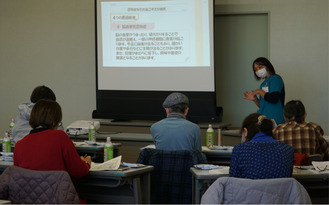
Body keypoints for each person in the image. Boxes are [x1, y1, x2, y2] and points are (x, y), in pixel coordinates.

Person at [14, 99, 91, 178]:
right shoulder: (60, 137)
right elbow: (79, 171)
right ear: (54, 122)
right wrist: (86, 163)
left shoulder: (19, 145)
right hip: (57, 189)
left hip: (28, 190)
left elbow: (17, 178)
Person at [229, 113, 294, 179]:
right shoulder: (288, 151)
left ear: (245, 131)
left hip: (249, 189)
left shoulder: (240, 150)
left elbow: (233, 181)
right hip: (279, 189)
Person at [243, 57, 285, 125]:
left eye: (260, 67)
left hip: (276, 119)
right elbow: (263, 105)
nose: (258, 70)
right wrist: (255, 99)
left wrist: (260, 91)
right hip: (265, 119)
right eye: (255, 69)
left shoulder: (276, 79)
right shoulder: (263, 84)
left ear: (267, 66)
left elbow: (274, 99)